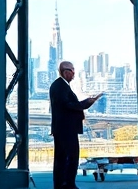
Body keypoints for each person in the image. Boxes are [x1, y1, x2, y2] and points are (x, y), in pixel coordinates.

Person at [50, 60, 101, 189]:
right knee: (70, 157)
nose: (73, 74)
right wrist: (86, 103)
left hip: (63, 129)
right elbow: (68, 105)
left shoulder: (61, 86)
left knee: (63, 158)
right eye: (72, 71)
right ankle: (67, 184)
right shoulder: (60, 86)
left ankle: (63, 184)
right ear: (66, 71)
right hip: (66, 129)